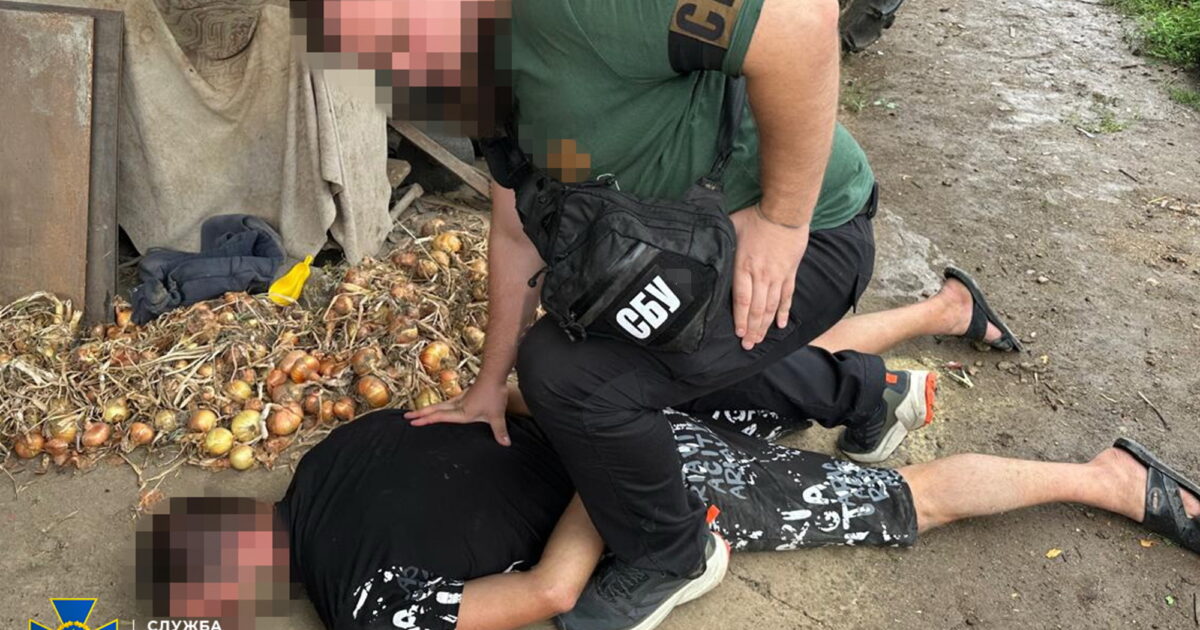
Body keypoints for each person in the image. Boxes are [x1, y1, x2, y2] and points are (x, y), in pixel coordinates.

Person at [407, 1, 1027, 626]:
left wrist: (783, 219)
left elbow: (798, 20)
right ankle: (869, 395)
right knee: (612, 331)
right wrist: (488, 386)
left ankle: (673, 555)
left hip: (807, 232)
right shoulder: (475, 69)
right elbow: (516, 233)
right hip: (684, 245)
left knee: (567, 373)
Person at [137, 376, 1200, 630]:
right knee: (771, 390)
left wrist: (614, 484)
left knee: (906, 502)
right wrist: (602, 429)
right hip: (596, 397)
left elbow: (552, 593)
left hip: (632, 464)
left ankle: (1108, 478)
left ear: (233, 596)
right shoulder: (330, 456)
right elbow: (494, 401)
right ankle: (876, 381)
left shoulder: (367, 604)